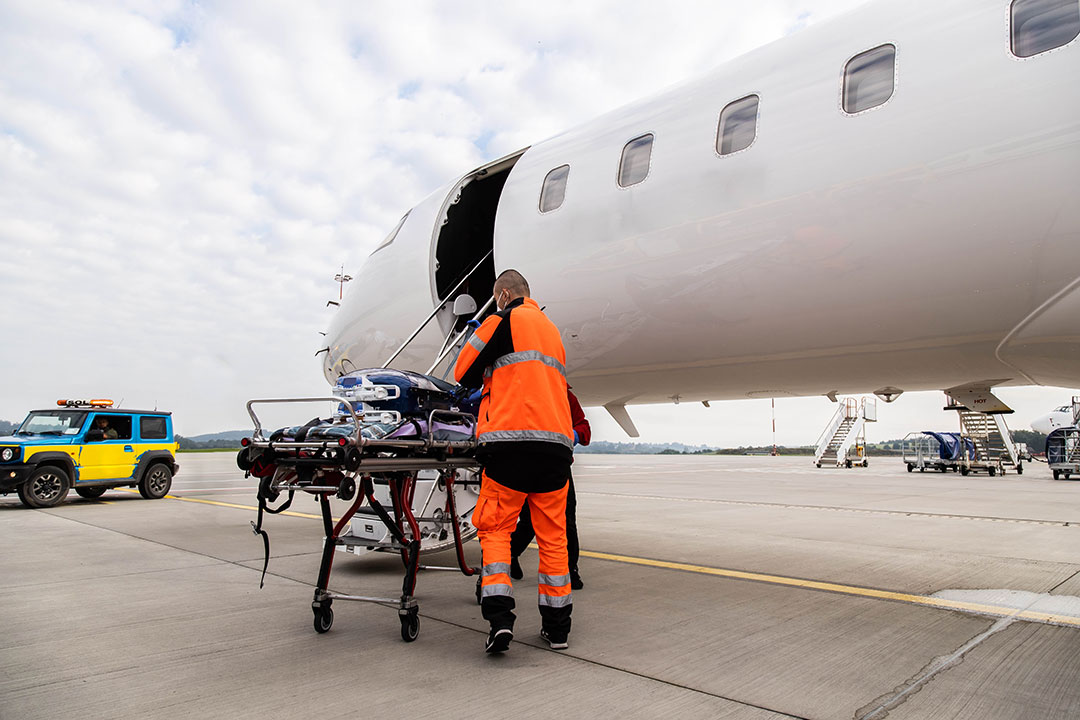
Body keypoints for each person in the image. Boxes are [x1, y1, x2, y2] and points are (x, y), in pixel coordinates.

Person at [454, 269, 574, 654]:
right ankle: (557, 630)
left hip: (508, 446)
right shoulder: (552, 331)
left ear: (503, 294)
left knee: (496, 531)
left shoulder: (501, 320)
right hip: (555, 450)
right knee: (553, 537)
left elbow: (462, 372)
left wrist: (481, 325)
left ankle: (500, 621)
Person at [509, 388, 590, 589]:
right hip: (525, 463)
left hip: (557, 465)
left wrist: (573, 435)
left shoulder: (564, 394)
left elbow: (584, 428)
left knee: (567, 521)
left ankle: (571, 569)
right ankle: (511, 552)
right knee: (529, 521)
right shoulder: (517, 389)